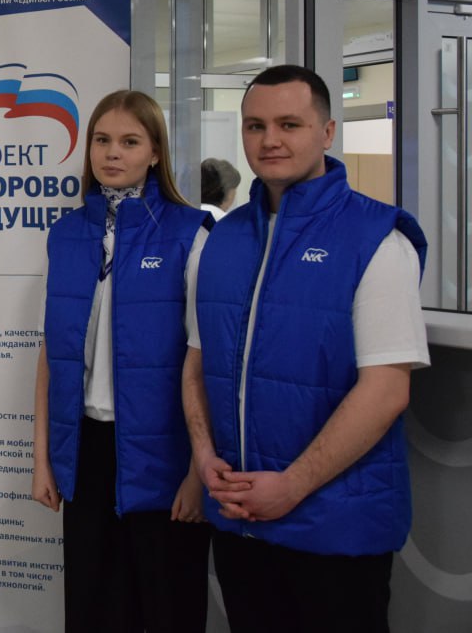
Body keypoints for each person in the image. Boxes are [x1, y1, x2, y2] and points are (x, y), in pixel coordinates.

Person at [183, 65, 428, 633]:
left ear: (327, 132)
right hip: (241, 521)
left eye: (289, 124)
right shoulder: (221, 241)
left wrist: (291, 485)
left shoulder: (377, 239)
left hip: (337, 530)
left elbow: (387, 390)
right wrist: (203, 457)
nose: (270, 140)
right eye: (255, 126)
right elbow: (197, 363)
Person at [32, 89, 212, 633]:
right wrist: (43, 459)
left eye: (130, 142)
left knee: (166, 610)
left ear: (155, 152)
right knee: (92, 610)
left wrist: (198, 473)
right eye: (102, 140)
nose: (112, 153)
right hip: (86, 453)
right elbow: (50, 356)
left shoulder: (190, 233)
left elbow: (206, 363)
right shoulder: (66, 236)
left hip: (163, 457)